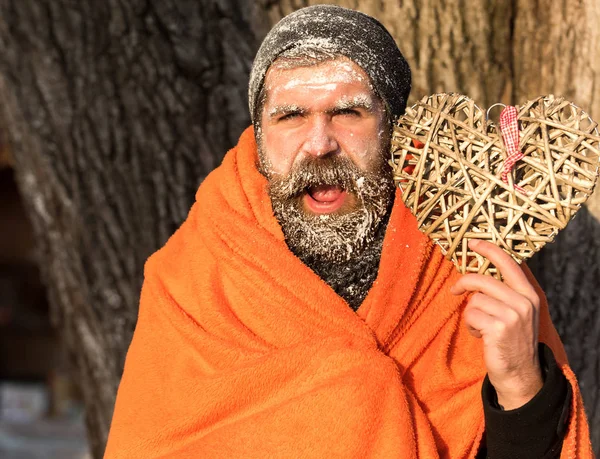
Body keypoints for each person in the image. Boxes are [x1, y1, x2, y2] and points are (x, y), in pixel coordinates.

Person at [105, 5, 591, 458]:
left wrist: (522, 387)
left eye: (348, 112)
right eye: (291, 116)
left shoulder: (472, 259)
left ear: (393, 127)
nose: (319, 144)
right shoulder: (190, 279)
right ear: (258, 135)